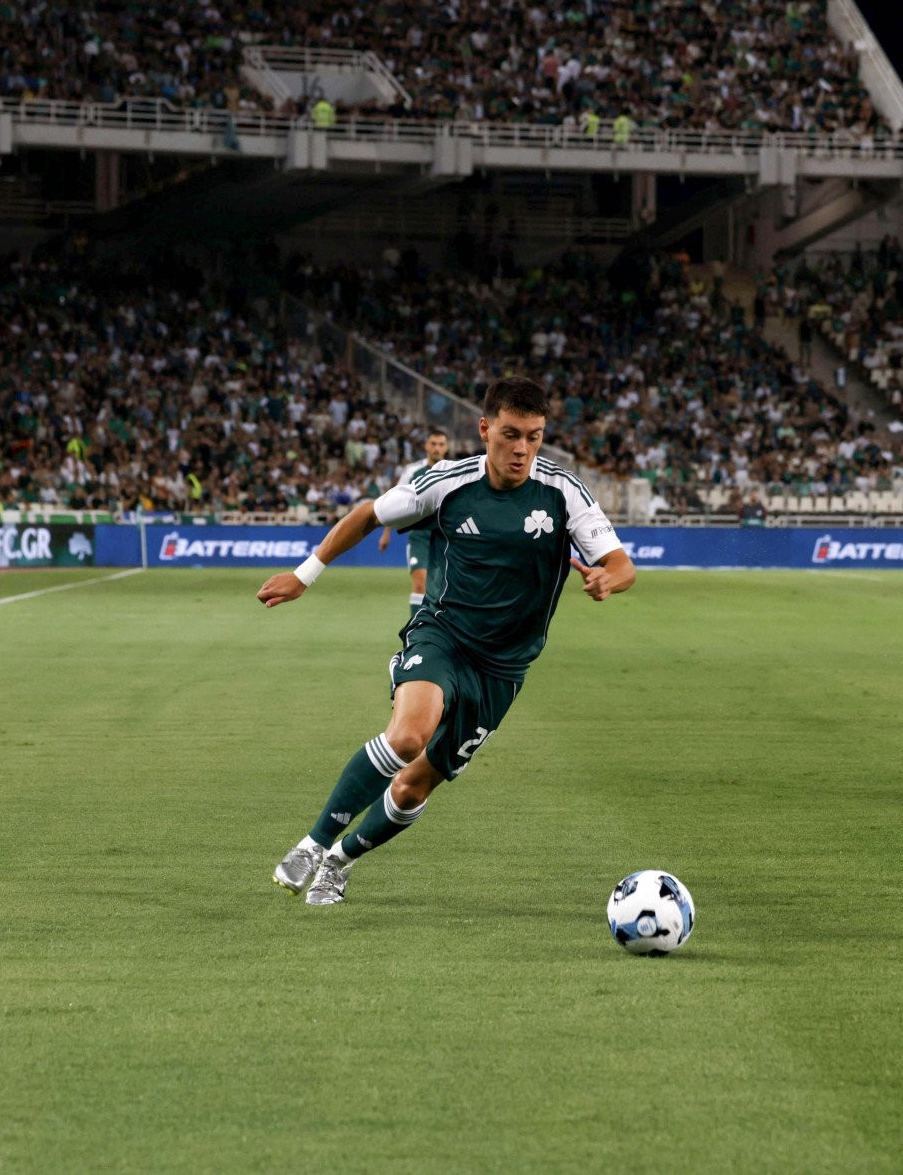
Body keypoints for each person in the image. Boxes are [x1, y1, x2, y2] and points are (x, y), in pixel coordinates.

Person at [260, 377, 636, 907]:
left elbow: (621, 564)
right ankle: (312, 844)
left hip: (503, 669)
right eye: (510, 434)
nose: (522, 449)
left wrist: (607, 579)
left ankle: (339, 861)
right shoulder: (447, 482)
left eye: (534, 437)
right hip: (443, 636)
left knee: (413, 787)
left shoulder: (563, 492)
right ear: (485, 430)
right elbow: (368, 514)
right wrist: (305, 575)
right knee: (407, 737)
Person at [375, 430, 451, 620]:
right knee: (419, 584)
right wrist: (386, 533)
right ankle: (415, 631)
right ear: (426, 446)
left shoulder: (452, 470)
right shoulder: (412, 471)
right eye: (433, 444)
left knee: (444, 588)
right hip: (419, 537)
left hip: (445, 537)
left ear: (447, 447)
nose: (437, 448)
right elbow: (395, 501)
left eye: (441, 444)